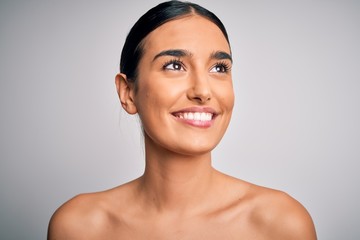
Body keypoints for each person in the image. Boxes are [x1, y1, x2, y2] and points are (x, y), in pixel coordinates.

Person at [47, 1, 317, 239]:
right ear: (128, 93)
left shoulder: (281, 224)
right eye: (174, 65)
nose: (202, 91)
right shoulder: (78, 227)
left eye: (219, 68)